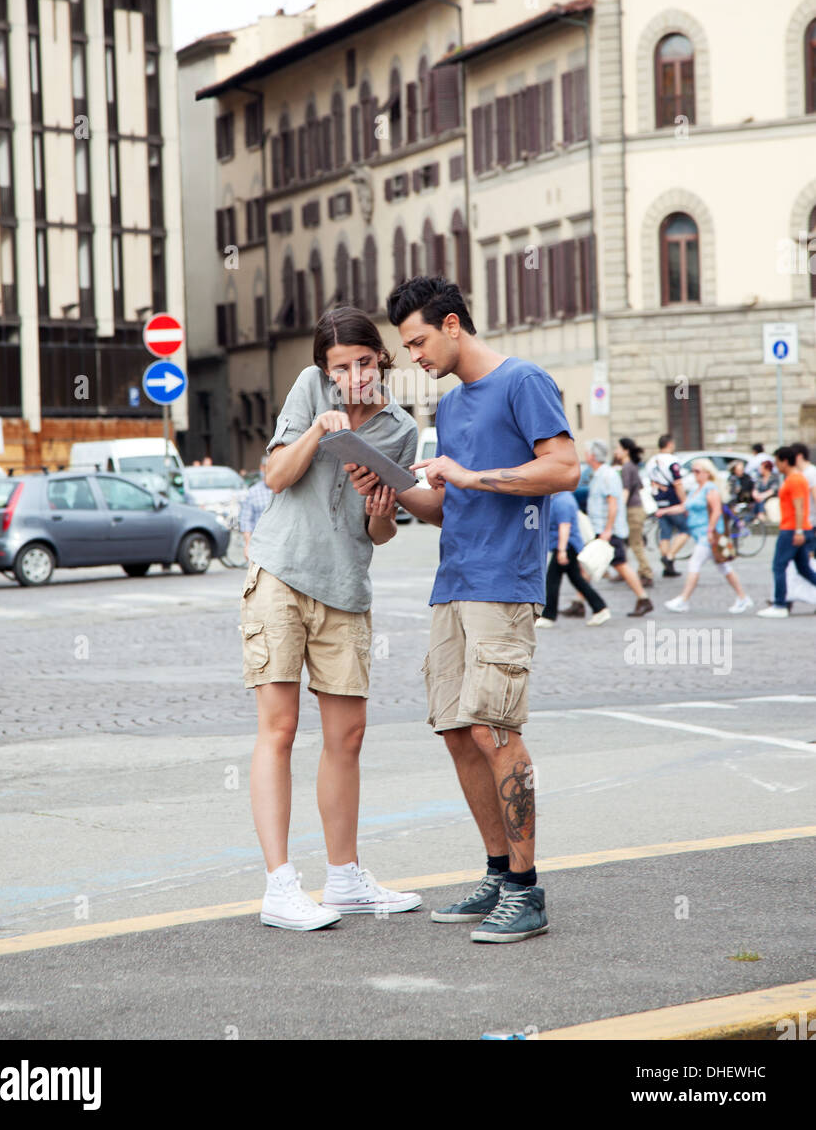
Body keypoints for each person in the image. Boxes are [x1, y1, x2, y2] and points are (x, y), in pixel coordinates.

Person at [349, 275, 579, 945]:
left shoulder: (523, 380)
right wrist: (389, 489)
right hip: (452, 580)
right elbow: (444, 505)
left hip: (502, 581)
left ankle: (528, 891)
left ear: (453, 324)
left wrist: (474, 475)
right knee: (456, 729)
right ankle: (500, 870)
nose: (413, 354)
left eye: (418, 340)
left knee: (495, 729)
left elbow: (564, 467)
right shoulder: (449, 409)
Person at [241, 305, 421, 929]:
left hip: (347, 586)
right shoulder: (309, 389)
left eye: (365, 363)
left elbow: (381, 530)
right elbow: (275, 474)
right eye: (341, 367)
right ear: (325, 368)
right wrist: (320, 430)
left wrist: (379, 504)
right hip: (282, 574)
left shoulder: (401, 427)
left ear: (382, 358)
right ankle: (280, 886)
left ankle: (343, 879)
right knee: (281, 728)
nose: (355, 376)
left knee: (347, 737)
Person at [661, 461, 753, 613]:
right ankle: (743, 597)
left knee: (694, 563)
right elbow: (685, 506)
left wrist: (710, 531)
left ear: (707, 472)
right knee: (724, 567)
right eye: (693, 471)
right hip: (700, 534)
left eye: (698, 471)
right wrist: (664, 511)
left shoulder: (710, 489)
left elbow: (716, 511)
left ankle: (683, 600)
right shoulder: (696, 490)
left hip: (708, 535)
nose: (695, 474)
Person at [585, 440, 653, 617]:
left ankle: (643, 598)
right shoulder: (601, 474)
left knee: (620, 564)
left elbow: (613, 504)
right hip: (602, 529)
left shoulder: (607, 475)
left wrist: (608, 529)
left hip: (607, 530)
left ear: (592, 456)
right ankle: (579, 601)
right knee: (589, 564)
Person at [757, 446, 816, 618]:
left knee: (779, 566)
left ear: (784, 461)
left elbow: (799, 507)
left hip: (792, 528)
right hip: (796, 528)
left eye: (777, 462)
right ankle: (780, 603)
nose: (776, 466)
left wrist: (798, 531)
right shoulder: (794, 478)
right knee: (804, 569)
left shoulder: (795, 480)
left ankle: (780, 604)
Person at [536, 489, 610, 627]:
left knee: (553, 581)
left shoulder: (563, 501)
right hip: (567, 546)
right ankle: (600, 608)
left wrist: (562, 550)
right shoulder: (562, 498)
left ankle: (549, 616)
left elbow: (565, 526)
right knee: (576, 580)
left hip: (566, 546)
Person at [644, 434, 688, 578]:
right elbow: (678, 483)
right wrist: (684, 502)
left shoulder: (651, 461)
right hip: (672, 500)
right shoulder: (672, 461)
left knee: (665, 533)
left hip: (659, 500)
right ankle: (669, 557)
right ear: (669, 444)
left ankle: (668, 565)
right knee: (685, 530)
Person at [615, 437, 652, 588]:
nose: (616, 451)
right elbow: (640, 487)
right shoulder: (633, 466)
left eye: (618, 448)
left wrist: (619, 509)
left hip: (632, 509)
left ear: (625, 451)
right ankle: (623, 570)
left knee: (635, 543)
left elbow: (626, 490)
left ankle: (646, 573)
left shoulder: (626, 467)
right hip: (637, 508)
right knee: (629, 543)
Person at [240, 455, 273, 564]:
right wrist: (247, 544)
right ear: (262, 468)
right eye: (269, 466)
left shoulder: (286, 491)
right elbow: (246, 521)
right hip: (260, 546)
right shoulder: (253, 492)